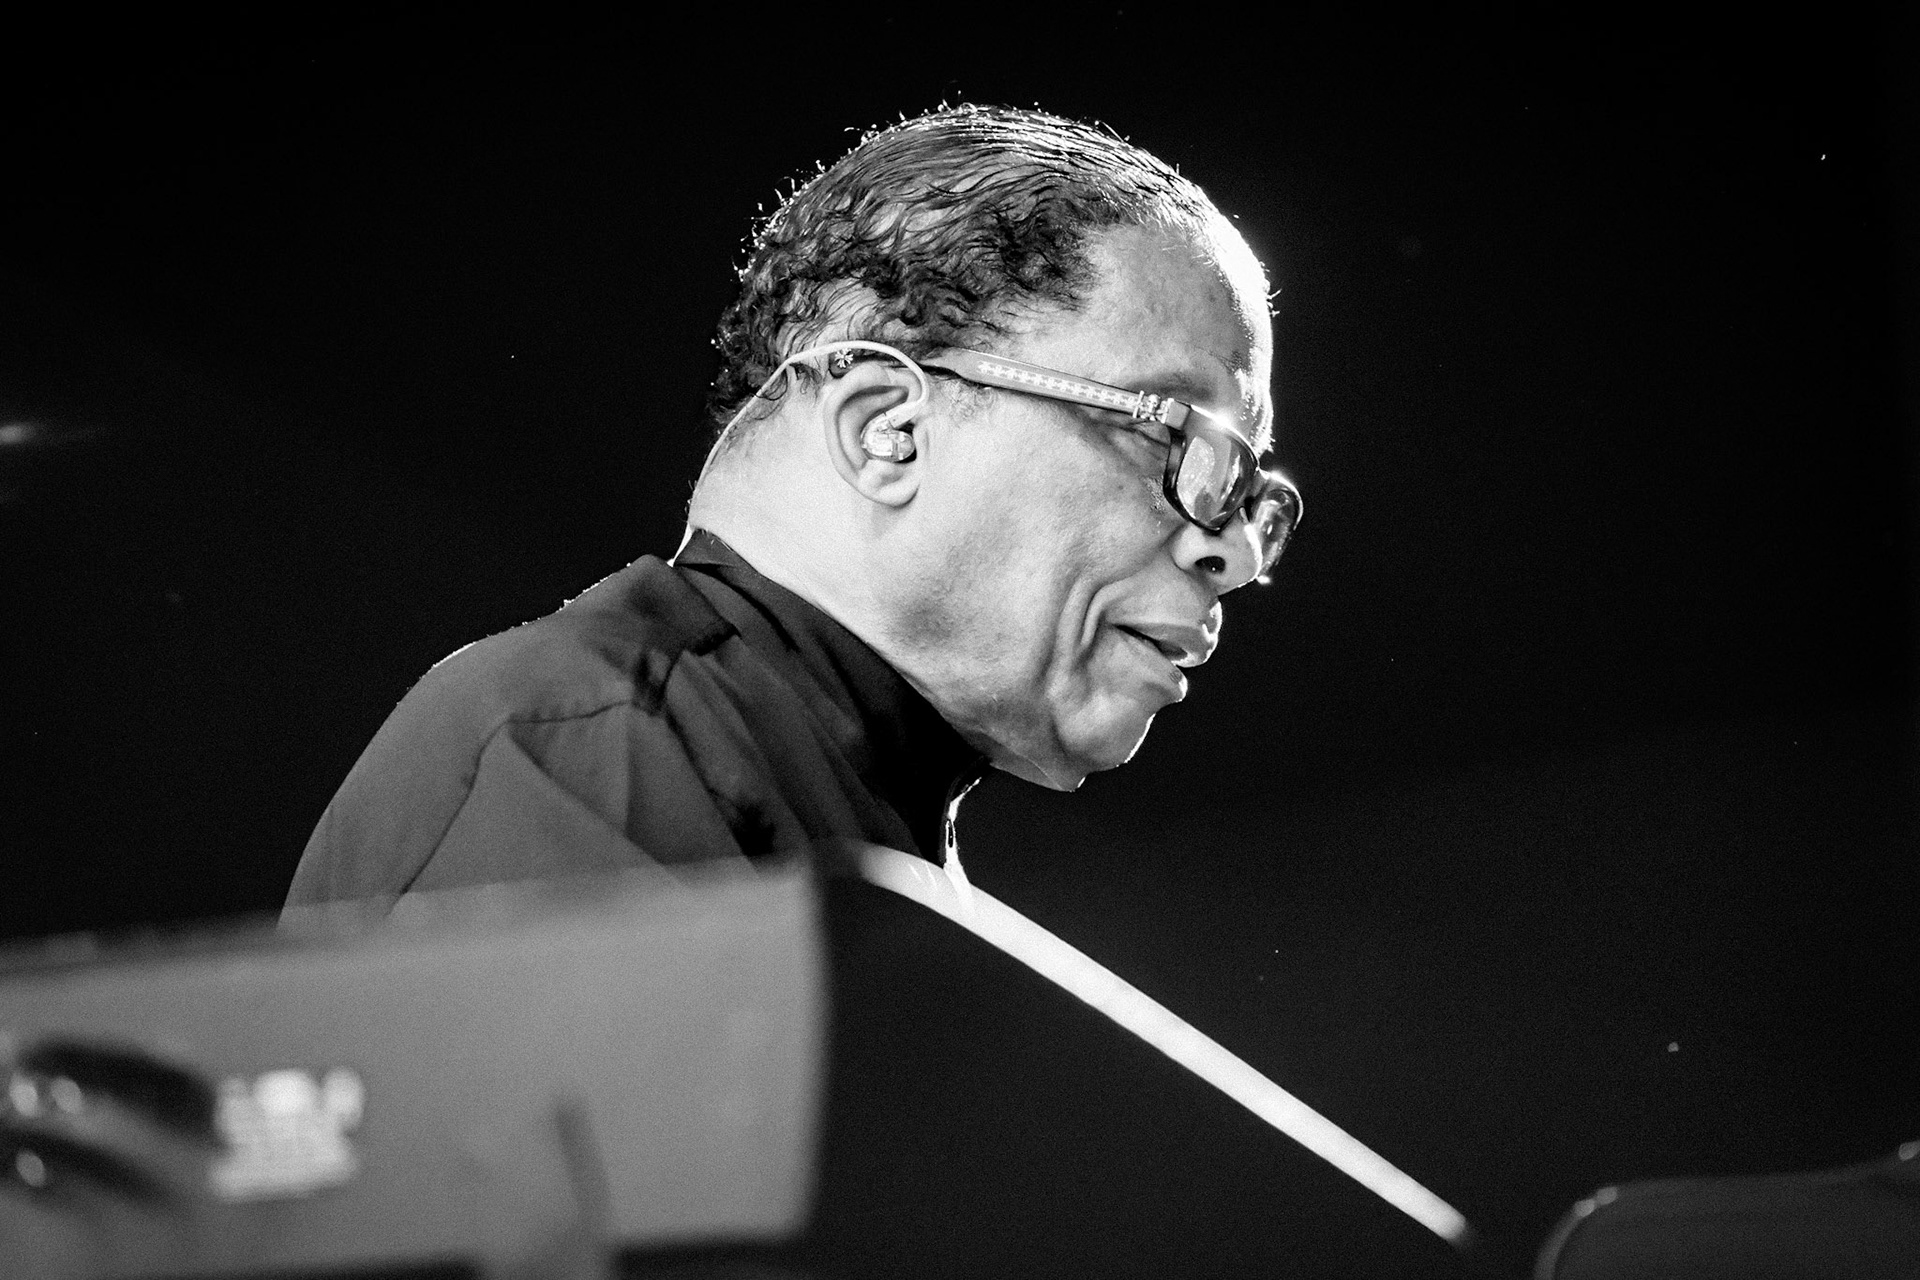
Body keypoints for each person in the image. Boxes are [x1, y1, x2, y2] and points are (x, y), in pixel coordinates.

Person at [282, 103, 1301, 917]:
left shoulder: (838, 817)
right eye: (1178, 438)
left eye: (1254, 494)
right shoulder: (581, 748)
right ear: (883, 430)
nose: (1236, 553)